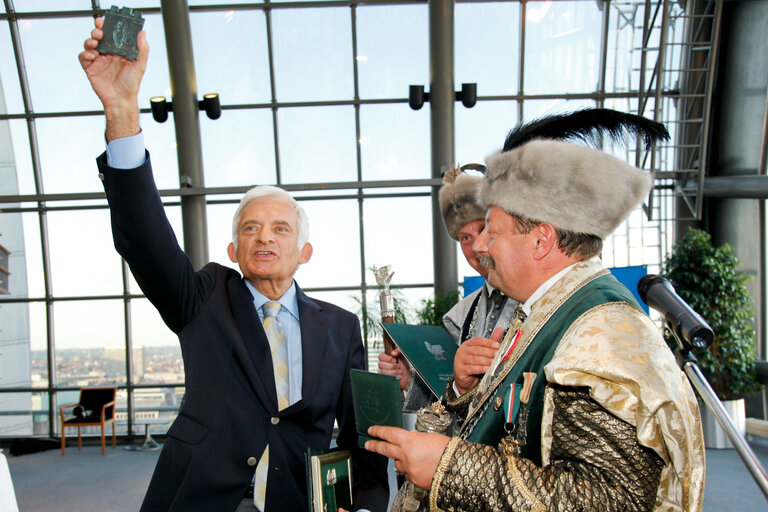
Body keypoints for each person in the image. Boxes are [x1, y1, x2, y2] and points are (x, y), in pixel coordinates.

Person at [78, 18, 388, 512]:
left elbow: (356, 434)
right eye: (250, 228)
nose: (264, 235)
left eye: (281, 229)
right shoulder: (202, 297)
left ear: (304, 253)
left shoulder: (342, 327)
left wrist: (367, 502)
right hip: (199, 498)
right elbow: (145, 239)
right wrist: (121, 109)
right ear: (233, 251)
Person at [365, 109, 705, 512]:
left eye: (492, 229)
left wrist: (448, 466)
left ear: (541, 240)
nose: (480, 247)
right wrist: (464, 391)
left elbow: (609, 500)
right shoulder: (549, 310)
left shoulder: (601, 338)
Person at [378, 165, 518, 410]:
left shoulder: (537, 297)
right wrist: (410, 380)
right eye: (465, 237)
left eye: (484, 229)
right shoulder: (460, 315)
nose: (477, 246)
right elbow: (448, 398)